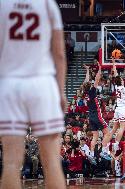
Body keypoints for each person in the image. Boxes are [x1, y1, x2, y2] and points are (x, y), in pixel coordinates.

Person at [0, 0, 66, 188]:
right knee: (52, 164)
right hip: (42, 83)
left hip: (9, 83)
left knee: (11, 163)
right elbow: (59, 54)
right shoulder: (47, 4)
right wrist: (61, 92)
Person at [101, 59, 125, 159]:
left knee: (114, 129)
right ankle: (116, 144)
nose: (122, 79)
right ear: (121, 81)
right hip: (123, 110)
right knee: (122, 128)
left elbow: (115, 73)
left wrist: (114, 63)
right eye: (122, 79)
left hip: (117, 109)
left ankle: (106, 146)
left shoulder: (117, 87)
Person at [83, 64, 112, 160]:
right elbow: (97, 79)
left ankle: (91, 154)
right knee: (108, 133)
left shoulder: (85, 92)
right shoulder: (92, 91)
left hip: (90, 117)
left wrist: (87, 70)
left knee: (95, 136)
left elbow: (86, 81)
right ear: (90, 86)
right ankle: (104, 151)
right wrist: (100, 69)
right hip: (97, 115)